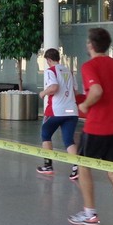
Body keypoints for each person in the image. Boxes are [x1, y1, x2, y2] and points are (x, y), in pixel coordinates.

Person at [68, 27, 113, 225]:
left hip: (97, 127)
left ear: (90, 45)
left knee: (83, 166)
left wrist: (86, 104)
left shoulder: (89, 66)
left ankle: (90, 213)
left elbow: (96, 90)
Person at [36, 48, 79, 180]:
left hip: (56, 111)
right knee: (68, 140)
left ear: (49, 60)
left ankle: (48, 166)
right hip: (71, 111)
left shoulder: (51, 71)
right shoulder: (69, 71)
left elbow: (54, 87)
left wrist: (43, 93)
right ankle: (77, 168)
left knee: (45, 134)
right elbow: (75, 92)